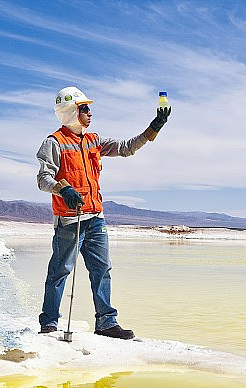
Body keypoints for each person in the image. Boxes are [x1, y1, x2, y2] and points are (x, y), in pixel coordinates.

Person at [36, 86, 170, 339]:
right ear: (70, 112)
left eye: (88, 108)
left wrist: (154, 127)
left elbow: (126, 147)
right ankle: (49, 323)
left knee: (102, 270)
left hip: (95, 218)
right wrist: (63, 189)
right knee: (60, 271)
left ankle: (107, 323)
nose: (89, 113)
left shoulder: (93, 140)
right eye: (84, 108)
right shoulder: (54, 142)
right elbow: (43, 179)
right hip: (70, 221)